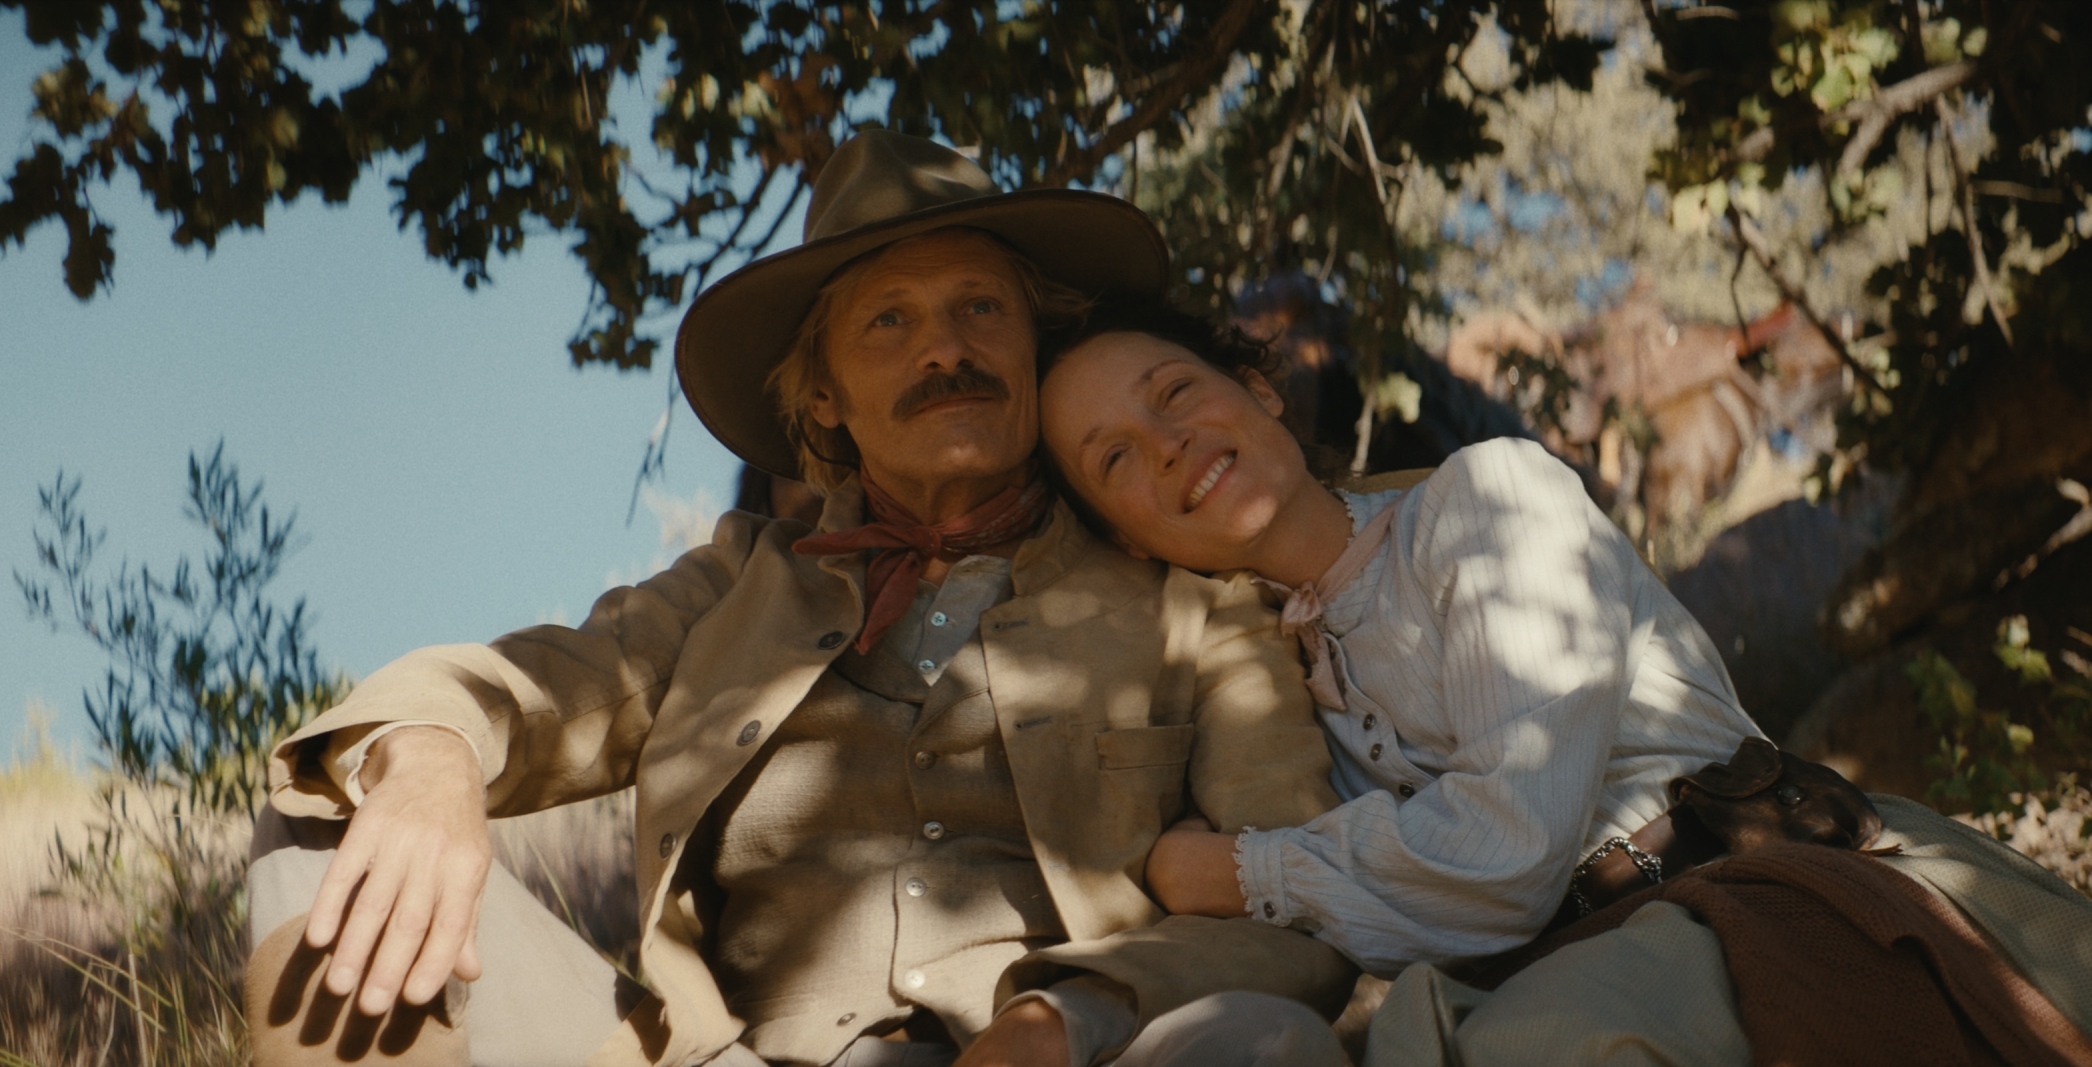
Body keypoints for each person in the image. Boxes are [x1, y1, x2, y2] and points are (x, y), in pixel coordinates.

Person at [243, 131, 1359, 1067]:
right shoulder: (736, 584)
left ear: (1034, 344)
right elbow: (530, 688)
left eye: (981, 306)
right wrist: (432, 751)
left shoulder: (1193, 605)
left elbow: (1299, 908)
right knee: (327, 826)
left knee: (1261, 1040)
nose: (947, 349)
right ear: (823, 395)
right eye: (890, 322)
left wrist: (1068, 1018)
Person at [1032, 300, 2092, 1067]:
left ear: (1262, 390)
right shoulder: (1278, 678)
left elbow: (1503, 847)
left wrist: (1243, 868)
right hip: (1561, 962)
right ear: (1127, 536)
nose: (1167, 443)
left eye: (1174, 391)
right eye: (1113, 458)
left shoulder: (1483, 501)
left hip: (1744, 876)